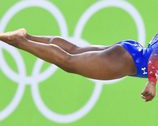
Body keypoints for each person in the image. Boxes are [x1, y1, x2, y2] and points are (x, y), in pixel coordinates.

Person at [0, 29, 157, 102]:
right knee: (68, 62)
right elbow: (155, 54)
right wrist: (151, 82)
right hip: (126, 62)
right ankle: (21, 41)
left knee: (73, 51)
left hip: (130, 52)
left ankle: (27, 37)